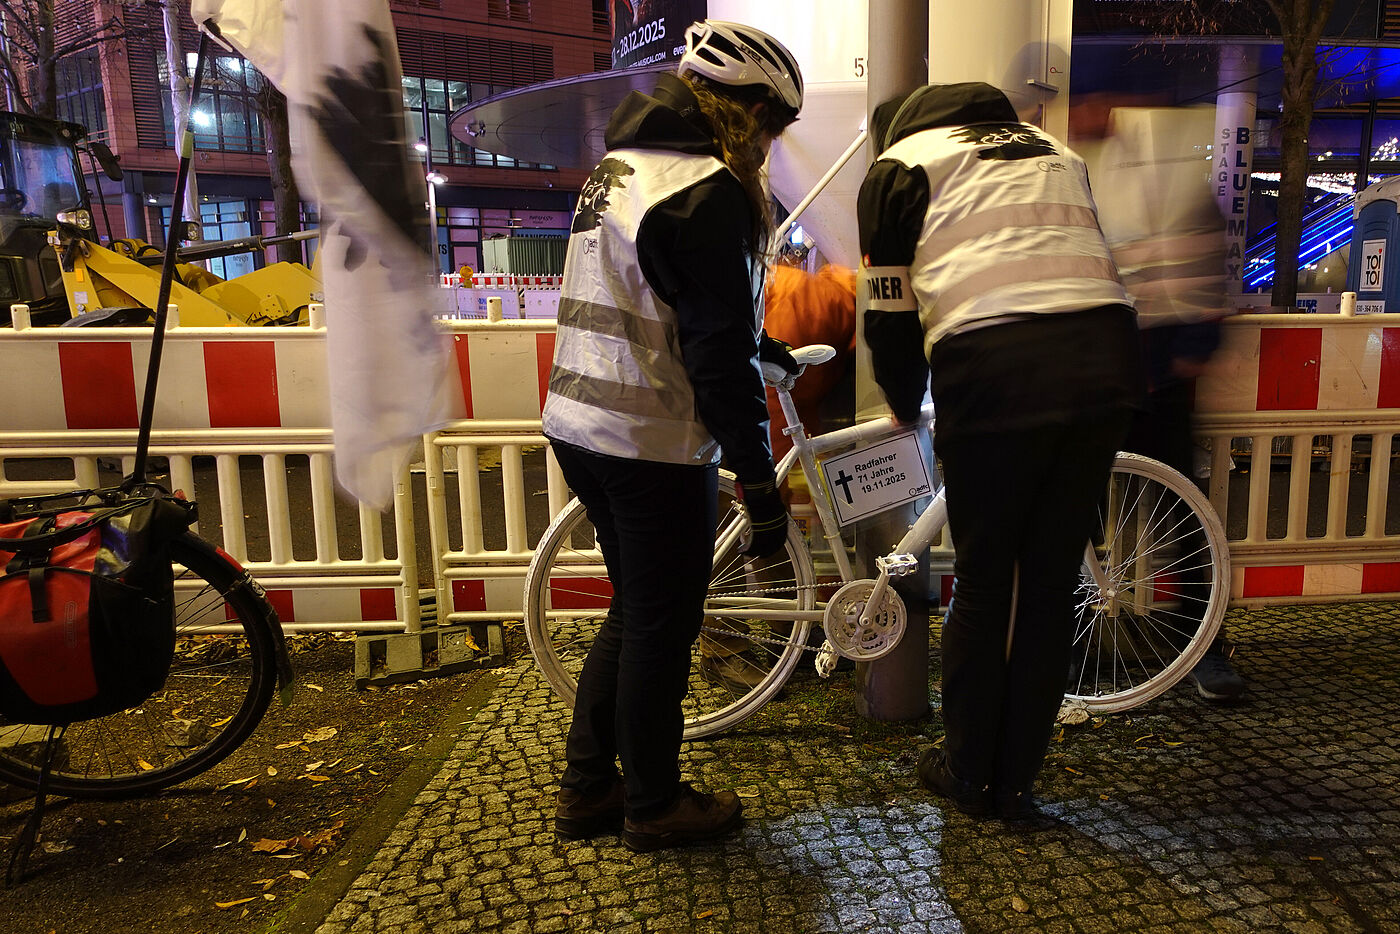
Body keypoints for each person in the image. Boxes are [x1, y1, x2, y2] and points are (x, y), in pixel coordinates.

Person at [540, 19, 804, 852]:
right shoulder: (707, 189)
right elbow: (714, 361)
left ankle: (590, 788)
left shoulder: (617, 169)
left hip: (578, 425)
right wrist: (761, 489)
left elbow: (660, 294)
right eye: (774, 125)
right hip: (645, 439)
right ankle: (652, 805)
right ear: (751, 108)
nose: (772, 145)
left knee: (639, 612)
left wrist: (758, 342)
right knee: (664, 623)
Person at [856, 82, 1144, 820]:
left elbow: (888, 316)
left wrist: (900, 395)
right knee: (1047, 584)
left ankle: (967, 773)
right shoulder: (1058, 153)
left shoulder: (899, 168)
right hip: (1105, 362)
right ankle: (1016, 780)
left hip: (995, 368)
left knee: (985, 582)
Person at [1082, 103, 1246, 704]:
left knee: (1183, 517)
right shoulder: (1101, 168)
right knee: (1127, 512)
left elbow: (1202, 257)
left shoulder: (1141, 169)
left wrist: (1190, 349)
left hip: (1142, 373)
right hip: (1125, 371)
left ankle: (1198, 645)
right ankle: (1089, 638)